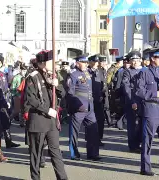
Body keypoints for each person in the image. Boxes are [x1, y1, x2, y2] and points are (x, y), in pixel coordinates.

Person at [24, 50, 67, 180]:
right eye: (51, 61)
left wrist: (56, 85)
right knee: (36, 154)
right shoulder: (33, 76)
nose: (54, 64)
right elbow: (31, 99)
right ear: (43, 63)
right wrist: (47, 110)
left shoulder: (51, 75)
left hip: (51, 122)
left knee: (56, 152)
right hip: (38, 121)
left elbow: (63, 94)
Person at [135, 48, 159, 176]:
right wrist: (153, 94)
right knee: (148, 138)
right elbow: (139, 91)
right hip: (151, 108)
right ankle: (145, 167)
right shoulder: (144, 73)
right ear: (153, 59)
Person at [67, 54, 101, 161]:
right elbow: (70, 93)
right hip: (79, 108)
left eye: (86, 62)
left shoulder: (87, 73)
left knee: (93, 130)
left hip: (89, 107)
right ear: (77, 63)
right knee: (74, 132)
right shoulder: (73, 75)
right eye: (84, 62)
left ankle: (93, 153)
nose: (86, 64)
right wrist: (77, 105)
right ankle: (74, 153)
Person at [122, 51, 142, 153]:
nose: (135, 63)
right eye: (132, 61)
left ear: (140, 61)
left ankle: (139, 142)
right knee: (132, 125)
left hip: (142, 101)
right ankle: (133, 146)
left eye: (136, 60)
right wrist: (132, 101)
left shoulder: (144, 71)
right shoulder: (127, 72)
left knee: (142, 124)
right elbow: (126, 88)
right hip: (132, 101)